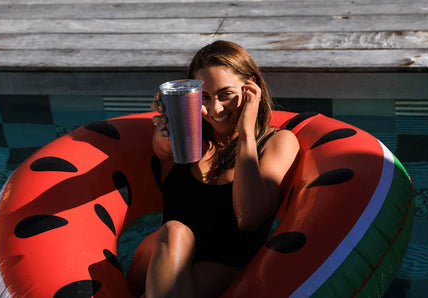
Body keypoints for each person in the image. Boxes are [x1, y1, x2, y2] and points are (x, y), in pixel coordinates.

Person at [126, 40, 300, 298]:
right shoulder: (185, 138)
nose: (215, 109)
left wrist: (246, 134)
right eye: (204, 97)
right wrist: (170, 120)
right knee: (174, 232)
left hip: (222, 268)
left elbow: (249, 217)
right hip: (159, 256)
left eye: (226, 94)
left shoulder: (279, 142)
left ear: (250, 86)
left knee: (175, 249)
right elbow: (163, 149)